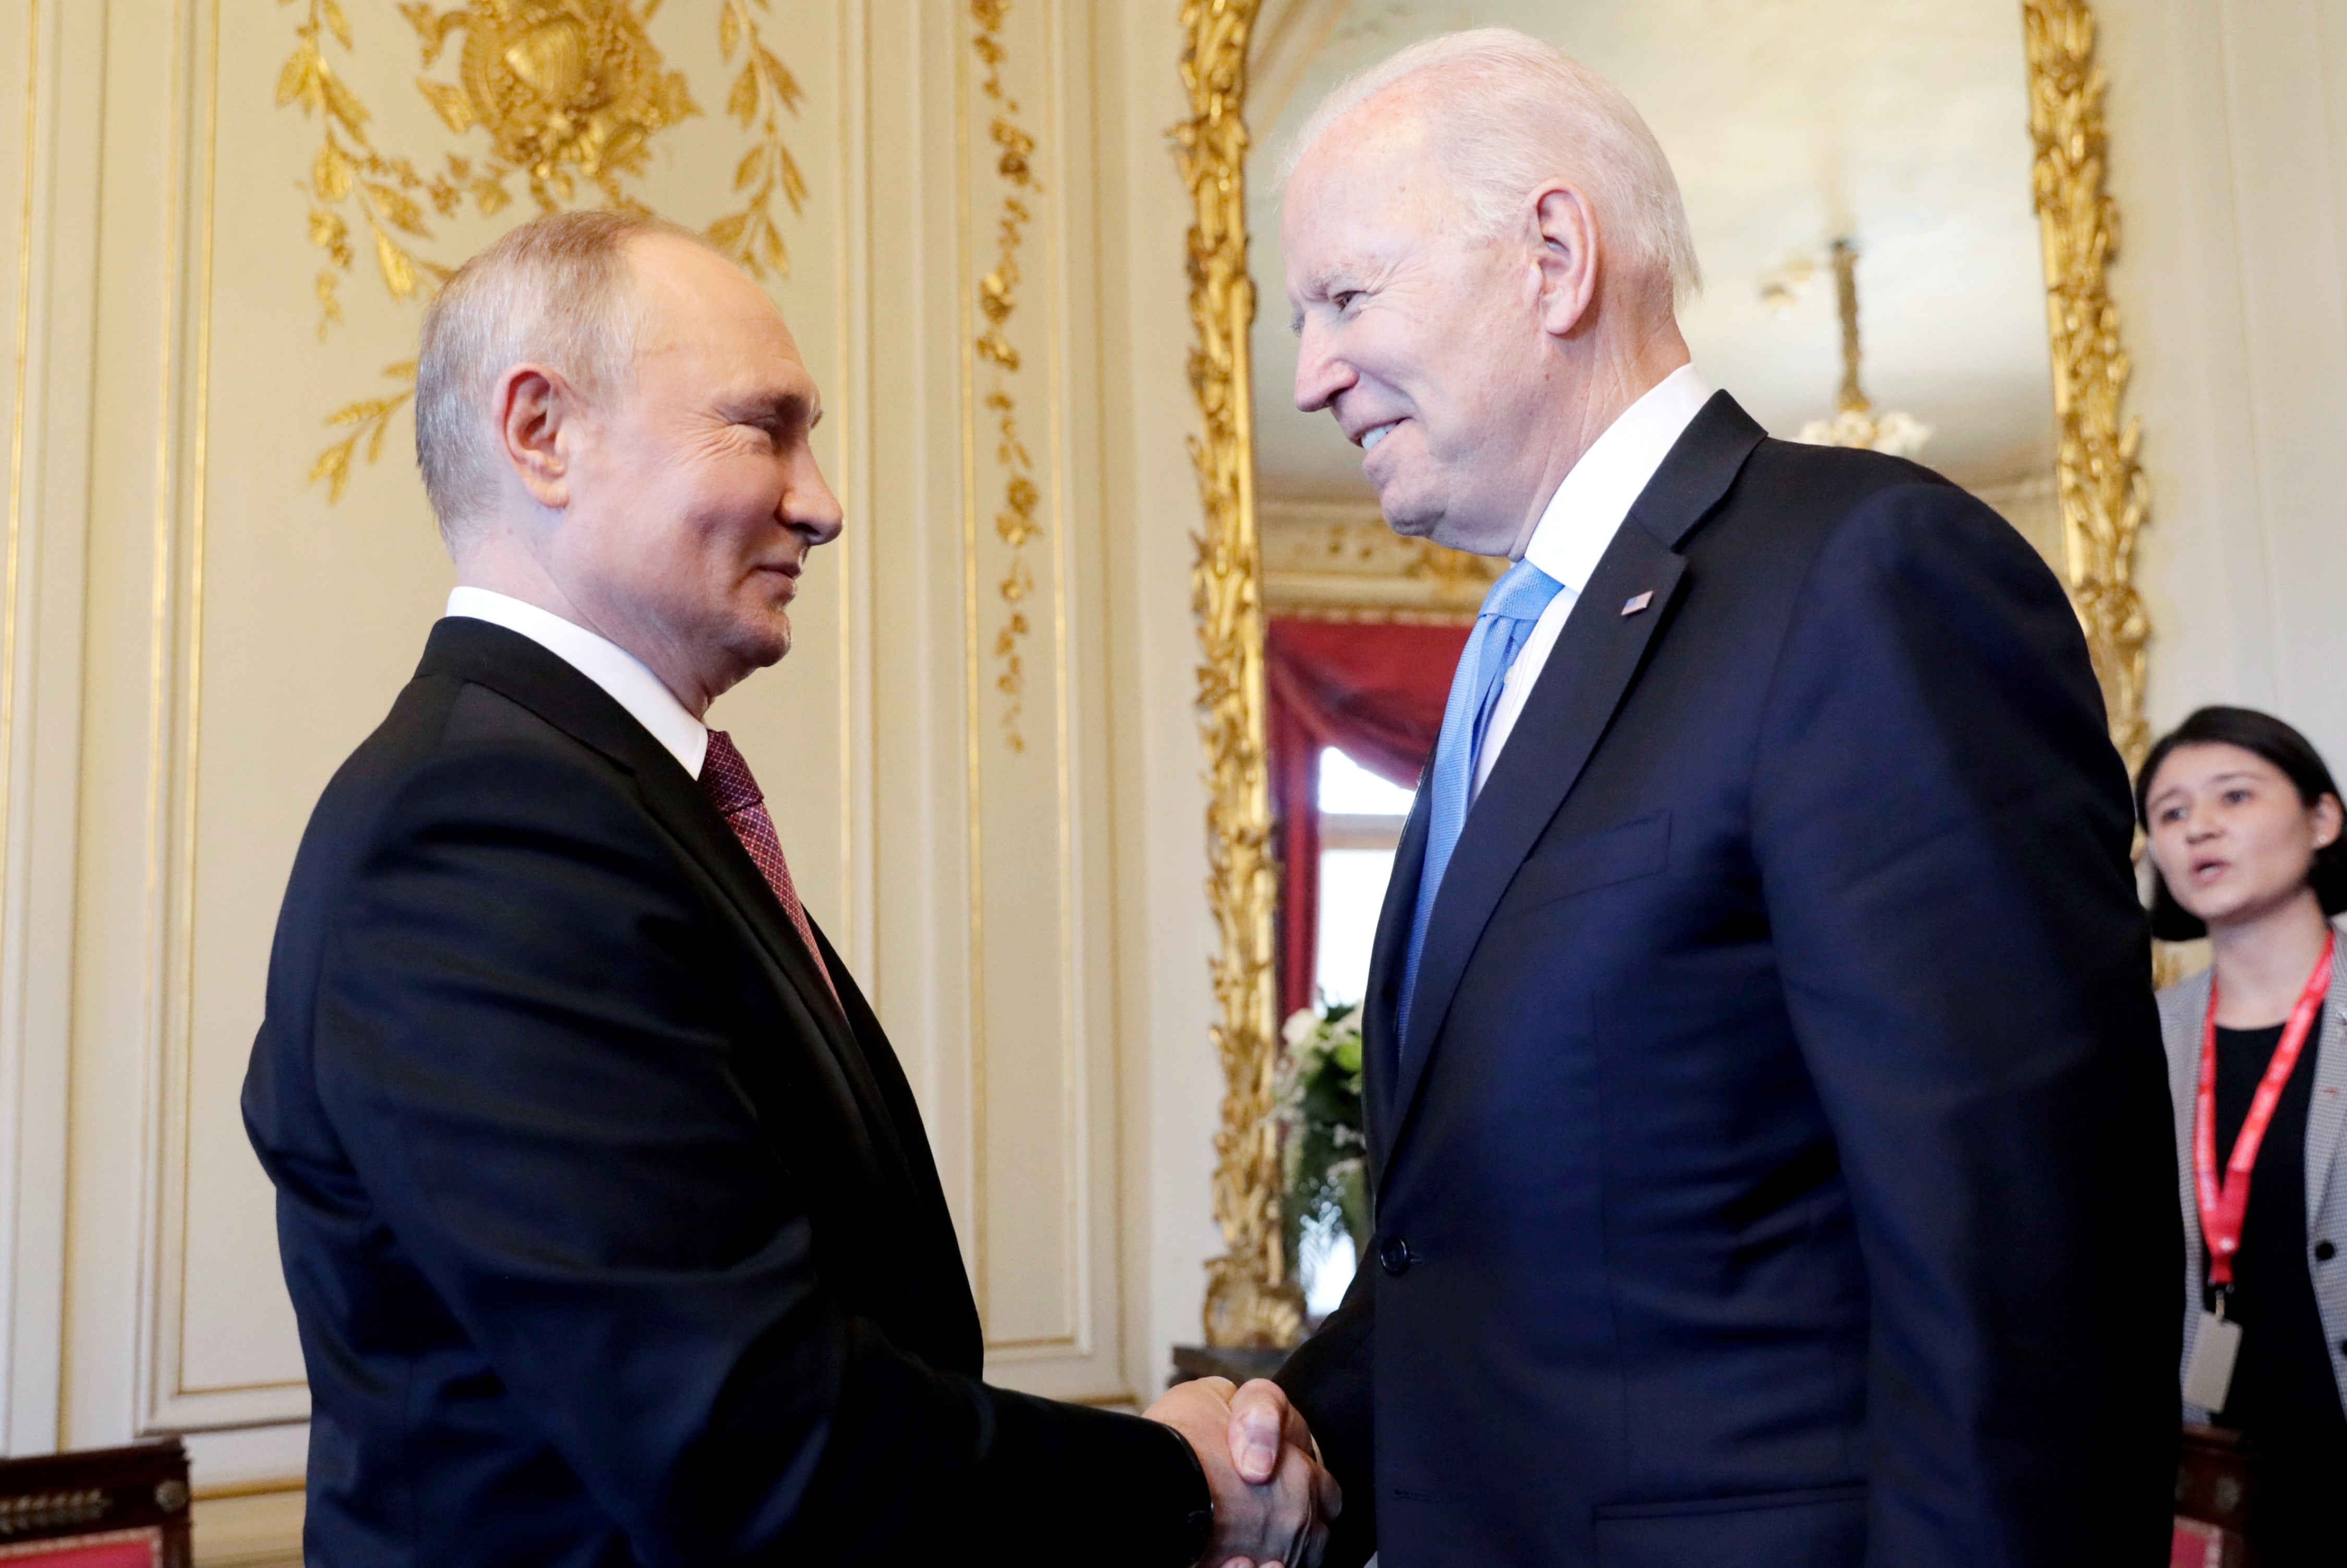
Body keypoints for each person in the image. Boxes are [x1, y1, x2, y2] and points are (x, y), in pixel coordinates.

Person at [241, 211, 1336, 1568]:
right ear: (541, 432)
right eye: (764, 429)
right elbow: (745, 1439)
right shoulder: (479, 833)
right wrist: (1176, 1483)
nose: (821, 502)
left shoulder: (606, 801)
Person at [1264, 28, 2180, 1568]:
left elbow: (2028, 1287)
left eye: (1345, 298)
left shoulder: (1867, 579)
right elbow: (1493, 1247)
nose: (1308, 376)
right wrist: (1281, 1435)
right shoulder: (1514, 658)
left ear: (1553, 256)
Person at [2139, 706, 2347, 1567]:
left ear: (2324, 817)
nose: (2201, 828)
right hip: (2233, 1486)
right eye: (2171, 813)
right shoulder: (2140, 1042)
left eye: (2234, 796)